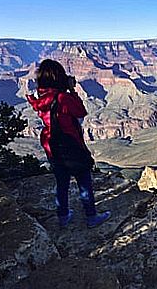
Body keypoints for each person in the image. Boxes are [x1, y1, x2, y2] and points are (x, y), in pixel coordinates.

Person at [26, 59, 111, 228]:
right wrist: (72, 89)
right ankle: (91, 217)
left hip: (51, 146)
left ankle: (63, 217)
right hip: (70, 144)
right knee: (84, 182)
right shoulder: (62, 97)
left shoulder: (39, 97)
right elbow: (80, 111)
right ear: (59, 78)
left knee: (62, 183)